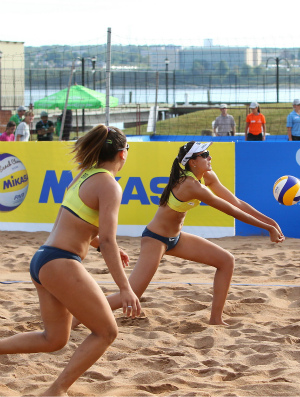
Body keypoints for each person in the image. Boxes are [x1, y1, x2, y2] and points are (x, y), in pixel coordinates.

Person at [72, 141, 284, 330]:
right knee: (132, 293)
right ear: (192, 162)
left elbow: (236, 202)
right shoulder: (190, 185)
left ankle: (216, 320)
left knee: (226, 261)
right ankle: (77, 316)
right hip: (155, 239)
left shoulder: (206, 176)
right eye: (204, 155)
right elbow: (231, 211)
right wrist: (267, 229)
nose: (210, 157)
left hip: (176, 238)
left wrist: (271, 223)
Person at [0, 124, 141, 396]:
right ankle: (57, 391)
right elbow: (109, 239)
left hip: (44, 258)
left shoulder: (83, 176)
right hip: (61, 262)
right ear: (122, 154)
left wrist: (99, 245)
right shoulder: (109, 184)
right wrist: (125, 288)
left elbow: (75, 224)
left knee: (54, 339)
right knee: (107, 332)